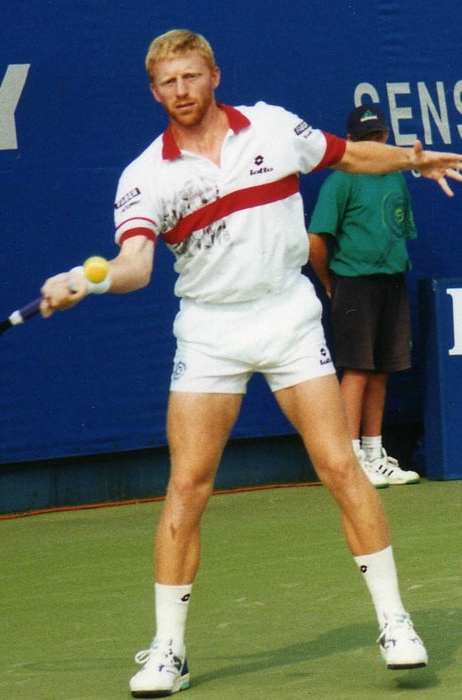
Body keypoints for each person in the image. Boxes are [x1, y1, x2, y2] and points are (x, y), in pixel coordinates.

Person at [39, 30, 462, 698]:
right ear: (154, 92)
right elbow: (135, 265)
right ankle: (169, 652)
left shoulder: (269, 126)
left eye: (190, 77)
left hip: (288, 317)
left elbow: (349, 154)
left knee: (339, 466)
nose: (180, 92)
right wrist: (86, 280)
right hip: (209, 331)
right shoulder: (144, 175)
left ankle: (395, 621)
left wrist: (413, 158)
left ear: (213, 75)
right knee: (188, 485)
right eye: (166, 83)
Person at [308, 104, 422, 488]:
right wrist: (331, 283)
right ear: (351, 142)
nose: (375, 142)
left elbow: (398, 228)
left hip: (391, 282)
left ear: (386, 137)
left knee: (380, 370)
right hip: (353, 282)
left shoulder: (395, 174)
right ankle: (350, 456)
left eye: (380, 136)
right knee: (356, 369)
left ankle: (374, 454)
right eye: (366, 138)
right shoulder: (341, 180)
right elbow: (315, 241)